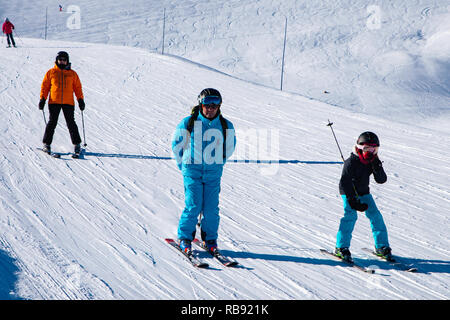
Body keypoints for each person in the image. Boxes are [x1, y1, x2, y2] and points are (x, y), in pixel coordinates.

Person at [172, 88, 236, 255]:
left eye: (215, 104)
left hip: (213, 173)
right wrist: (184, 166)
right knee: (193, 205)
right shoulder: (189, 122)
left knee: (211, 209)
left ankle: (210, 239)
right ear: (201, 104)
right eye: (207, 103)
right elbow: (177, 144)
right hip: (192, 170)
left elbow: (229, 148)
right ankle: (185, 237)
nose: (211, 107)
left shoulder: (225, 125)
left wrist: (218, 163)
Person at [335, 131, 392, 262]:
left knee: (376, 216)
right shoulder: (351, 162)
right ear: (359, 147)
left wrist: (378, 167)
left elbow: (381, 180)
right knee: (350, 216)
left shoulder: (372, 161)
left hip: (364, 192)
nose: (370, 152)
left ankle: (381, 246)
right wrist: (352, 201)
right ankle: (341, 247)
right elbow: (345, 182)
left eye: (374, 149)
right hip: (348, 192)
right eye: (367, 148)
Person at [39, 51, 85, 154]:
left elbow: (77, 88)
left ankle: (77, 145)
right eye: (60, 59)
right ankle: (46, 144)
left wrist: (80, 100)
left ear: (67, 61)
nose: (62, 61)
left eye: (64, 60)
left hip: (68, 102)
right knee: (52, 123)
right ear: (57, 60)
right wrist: (43, 99)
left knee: (71, 123)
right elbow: (45, 87)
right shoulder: (51, 72)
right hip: (54, 101)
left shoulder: (72, 74)